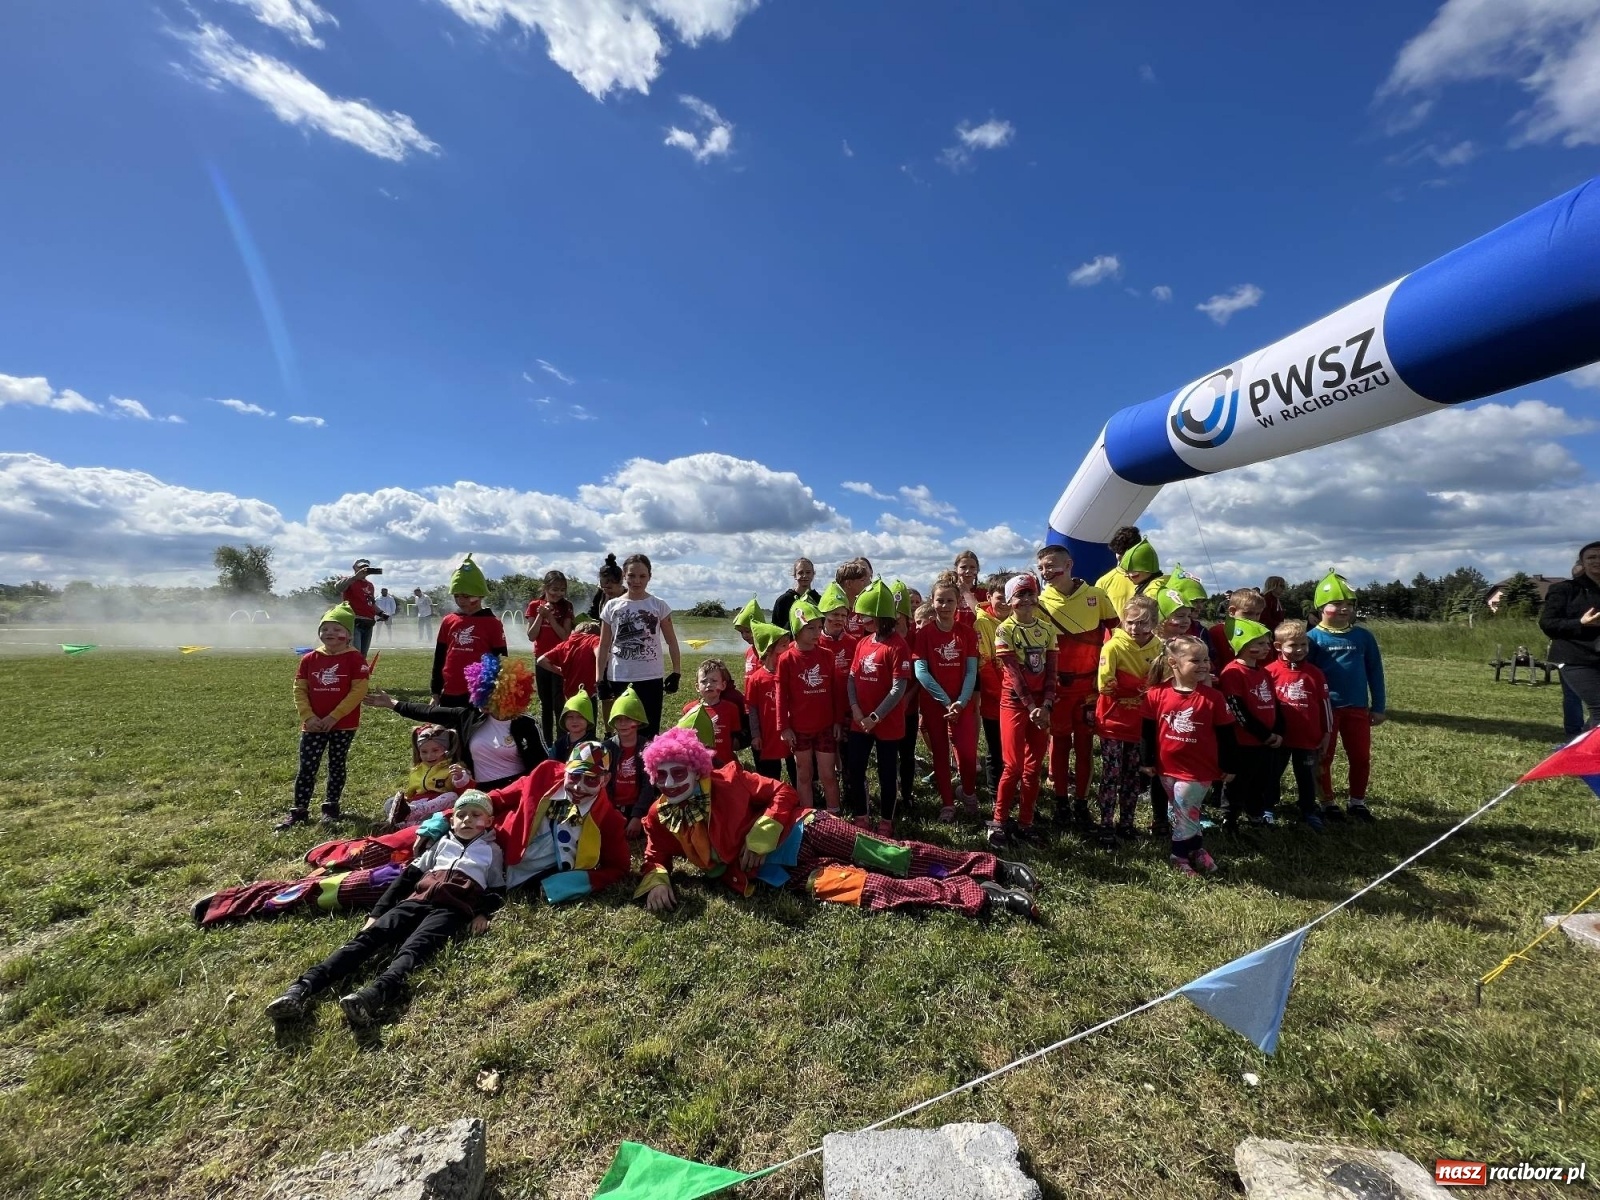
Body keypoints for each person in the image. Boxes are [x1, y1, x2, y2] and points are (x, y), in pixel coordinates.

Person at [632, 727, 1039, 920]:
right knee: (874, 888)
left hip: (805, 828)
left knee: (891, 854)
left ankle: (991, 866)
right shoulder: (659, 816)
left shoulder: (729, 780)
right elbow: (654, 855)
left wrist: (762, 831)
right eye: (661, 776)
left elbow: (783, 793)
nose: (670, 782)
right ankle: (980, 895)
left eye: (678, 772)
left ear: (696, 767)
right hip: (784, 874)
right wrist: (660, 880)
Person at [265, 789, 505, 1028]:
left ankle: (373, 995)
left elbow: (496, 888)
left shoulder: (492, 851)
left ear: (489, 821)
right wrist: (377, 913)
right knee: (368, 938)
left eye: (476, 815)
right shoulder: (440, 844)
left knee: (415, 948)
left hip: (450, 910)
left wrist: (482, 913)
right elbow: (407, 877)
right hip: (416, 900)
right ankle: (301, 988)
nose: (467, 820)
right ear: (452, 820)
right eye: (461, 814)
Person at [366, 653, 546, 790]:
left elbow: (543, 765)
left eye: (490, 700)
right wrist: (393, 704)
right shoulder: (467, 717)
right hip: (479, 791)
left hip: (516, 789)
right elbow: (430, 712)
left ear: (508, 697)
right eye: (479, 697)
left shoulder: (526, 725)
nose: (481, 704)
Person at [1035, 544, 1116, 828]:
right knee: (1059, 744)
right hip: (1057, 689)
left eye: (1051, 565)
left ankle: (1081, 803)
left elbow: (1117, 635)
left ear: (1069, 564)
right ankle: (1060, 803)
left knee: (1083, 746)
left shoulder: (1096, 596)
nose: (1046, 572)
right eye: (1041, 567)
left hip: (1089, 690)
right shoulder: (1040, 603)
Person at [1141, 636, 1237, 876]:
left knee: (1186, 809)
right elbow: (1147, 730)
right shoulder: (1156, 694)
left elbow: (1227, 735)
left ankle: (1179, 855)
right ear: (1173, 663)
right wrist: (1147, 760)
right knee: (1184, 812)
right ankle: (1195, 848)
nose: (1204, 665)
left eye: (1206, 659)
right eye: (1196, 660)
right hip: (1166, 767)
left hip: (1198, 769)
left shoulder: (1213, 698)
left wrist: (1229, 765)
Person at [278, 603, 373, 830]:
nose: (329, 633)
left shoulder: (355, 659)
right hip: (312, 725)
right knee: (307, 767)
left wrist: (334, 716)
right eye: (325, 629)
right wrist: (308, 716)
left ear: (349, 635)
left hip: (343, 724)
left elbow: (358, 691)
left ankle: (331, 808)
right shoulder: (309, 659)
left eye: (336, 628)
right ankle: (299, 811)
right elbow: (299, 689)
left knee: (336, 765)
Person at [1307, 572, 1385, 822]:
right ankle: (1327, 802)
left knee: (1360, 757)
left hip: (1357, 708)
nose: (1344, 609)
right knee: (1324, 758)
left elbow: (1375, 671)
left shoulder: (1363, 637)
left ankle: (1357, 802)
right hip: (1326, 709)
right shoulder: (1311, 639)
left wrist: (1378, 705)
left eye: (1349, 605)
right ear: (1321, 607)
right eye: (1337, 604)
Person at [845, 580, 914, 835]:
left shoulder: (898, 646)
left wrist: (875, 716)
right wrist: (855, 709)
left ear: (881, 616)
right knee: (856, 767)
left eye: (867, 616)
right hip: (859, 720)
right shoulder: (863, 643)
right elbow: (852, 677)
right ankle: (861, 816)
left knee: (887, 773)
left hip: (886, 722)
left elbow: (898, 688)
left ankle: (886, 820)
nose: (862, 620)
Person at [1095, 595, 1163, 849]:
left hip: (1141, 724)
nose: (1135, 628)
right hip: (1112, 721)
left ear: (1154, 623)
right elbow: (1106, 686)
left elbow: (1161, 684)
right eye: (1130, 622)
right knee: (1111, 775)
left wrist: (1131, 685)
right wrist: (1142, 686)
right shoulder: (1113, 646)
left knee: (1133, 777)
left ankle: (1127, 823)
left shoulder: (1158, 648)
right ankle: (1105, 824)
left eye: (1143, 623)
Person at [913, 572, 980, 822]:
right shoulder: (924, 634)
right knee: (940, 753)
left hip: (962, 703)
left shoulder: (966, 633)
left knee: (968, 753)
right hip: (935, 704)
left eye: (949, 601)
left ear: (957, 603)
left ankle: (969, 793)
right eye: (939, 601)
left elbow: (971, 670)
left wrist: (961, 702)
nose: (944, 606)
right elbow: (921, 671)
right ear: (932, 601)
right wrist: (946, 702)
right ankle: (948, 803)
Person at [595, 553, 681, 738]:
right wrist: (599, 679)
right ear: (624, 576)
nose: (637, 580)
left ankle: (647, 766)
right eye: (632, 575)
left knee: (650, 731)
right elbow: (603, 646)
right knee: (624, 730)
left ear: (649, 576)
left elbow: (671, 641)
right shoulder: (612, 606)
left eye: (642, 576)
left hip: (651, 677)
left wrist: (676, 672)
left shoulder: (658, 605)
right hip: (620, 676)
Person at [1216, 619, 1284, 830]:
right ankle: (1230, 816)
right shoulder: (1233, 672)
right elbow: (1237, 710)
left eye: (1267, 643)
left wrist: (1278, 731)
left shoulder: (1264, 672)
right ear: (1243, 645)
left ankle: (1255, 813)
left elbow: (1275, 703)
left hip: (1265, 742)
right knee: (1237, 781)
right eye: (1261, 644)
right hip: (1243, 741)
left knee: (1260, 780)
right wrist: (1264, 734)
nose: (1267, 648)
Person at [1266, 620, 1333, 833]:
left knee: (1307, 776)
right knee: (1272, 773)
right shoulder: (1269, 672)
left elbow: (1325, 705)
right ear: (1278, 647)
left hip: (1308, 738)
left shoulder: (1315, 673)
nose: (1299, 650)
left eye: (1303, 645)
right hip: (1280, 738)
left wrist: (1326, 733)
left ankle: (1308, 810)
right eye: (1293, 645)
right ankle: (1267, 807)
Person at [778, 600, 844, 814]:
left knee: (828, 774)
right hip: (799, 728)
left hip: (825, 725)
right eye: (810, 628)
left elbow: (835, 691)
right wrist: (784, 726)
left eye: (819, 626)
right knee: (803, 772)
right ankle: (808, 817)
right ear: (797, 629)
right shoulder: (786, 659)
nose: (817, 632)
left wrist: (836, 721)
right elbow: (781, 695)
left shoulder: (826, 655)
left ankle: (834, 814)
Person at [432, 555, 508, 707]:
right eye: (457, 596)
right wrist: (435, 691)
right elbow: (439, 657)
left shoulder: (493, 623)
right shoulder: (449, 621)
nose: (461, 600)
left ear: (479, 595)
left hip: (479, 694)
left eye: (466, 596)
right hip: (449, 692)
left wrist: (495, 692)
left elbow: (501, 659)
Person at [1541, 543, 1600, 731]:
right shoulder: (1565, 589)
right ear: (1582, 562)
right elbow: (1548, 624)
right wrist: (1580, 623)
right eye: (1592, 557)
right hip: (1576, 658)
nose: (1597, 561)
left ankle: (1575, 751)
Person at [377, 723, 472, 829]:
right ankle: (401, 822)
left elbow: (466, 791)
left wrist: (460, 777)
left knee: (452, 796)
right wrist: (404, 802)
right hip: (417, 803)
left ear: (446, 750)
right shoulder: (417, 770)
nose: (429, 756)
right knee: (390, 801)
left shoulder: (453, 768)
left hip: (439, 806)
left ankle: (407, 818)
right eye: (424, 752)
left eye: (435, 750)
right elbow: (411, 793)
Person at [525, 570, 576, 746]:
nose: (558, 593)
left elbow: (565, 636)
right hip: (541, 660)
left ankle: (562, 741)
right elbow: (532, 636)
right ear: (546, 587)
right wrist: (540, 614)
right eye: (554, 589)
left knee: (559, 703)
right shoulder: (534, 605)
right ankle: (546, 743)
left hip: (560, 660)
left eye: (562, 590)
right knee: (545, 703)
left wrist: (551, 618)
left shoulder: (567, 606)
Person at [603, 686, 656, 837]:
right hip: (611, 808)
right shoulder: (606, 749)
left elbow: (649, 785)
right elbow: (602, 785)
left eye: (628, 719)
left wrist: (637, 816)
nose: (623, 723)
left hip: (638, 808)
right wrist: (611, 812)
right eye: (618, 719)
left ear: (638, 721)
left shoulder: (648, 748)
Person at [679, 660, 745, 769]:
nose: (709, 685)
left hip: (725, 764)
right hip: (699, 764)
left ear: (723, 685)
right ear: (697, 686)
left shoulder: (732, 709)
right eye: (704, 681)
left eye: (714, 681)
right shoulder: (689, 709)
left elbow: (734, 736)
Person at [744, 621, 789, 778]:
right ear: (770, 649)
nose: (788, 648)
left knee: (797, 769)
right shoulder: (757, 679)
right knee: (770, 775)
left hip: (790, 734)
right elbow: (752, 709)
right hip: (767, 735)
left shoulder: (790, 673)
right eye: (784, 645)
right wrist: (755, 734)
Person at [1095, 529, 1155, 625]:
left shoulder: (1154, 577)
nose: (1123, 558)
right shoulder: (1103, 582)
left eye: (1127, 554)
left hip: (1149, 636)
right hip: (1117, 638)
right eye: (1119, 553)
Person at [536, 617, 601, 705]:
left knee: (572, 715)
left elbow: (541, 660)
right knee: (588, 716)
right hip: (588, 691)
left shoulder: (564, 645)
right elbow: (600, 655)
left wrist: (559, 671)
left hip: (570, 691)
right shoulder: (593, 639)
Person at [1204, 587, 1267, 672]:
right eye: (1248, 613)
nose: (1254, 618)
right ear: (1232, 611)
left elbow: (1265, 662)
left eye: (1258, 614)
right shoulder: (1217, 632)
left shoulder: (1260, 632)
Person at [334, 559, 381, 659]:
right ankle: (350, 673)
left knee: (363, 655)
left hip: (369, 622)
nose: (364, 570)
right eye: (361, 567)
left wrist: (381, 613)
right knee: (355, 653)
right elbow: (338, 587)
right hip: (354, 621)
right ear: (355, 568)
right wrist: (355, 577)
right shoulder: (349, 580)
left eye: (366, 567)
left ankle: (360, 674)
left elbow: (371, 603)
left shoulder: (370, 585)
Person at [771, 558, 820, 636]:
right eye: (800, 573)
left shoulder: (819, 600)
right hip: (788, 646)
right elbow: (775, 630)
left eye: (808, 572)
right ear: (795, 575)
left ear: (813, 574)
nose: (804, 576)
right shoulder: (783, 601)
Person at [548, 691, 598, 763]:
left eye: (580, 717)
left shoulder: (594, 746)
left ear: (588, 720)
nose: (574, 721)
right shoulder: (558, 744)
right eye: (570, 717)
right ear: (564, 720)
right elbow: (550, 767)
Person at [953, 550, 988, 626]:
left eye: (972, 567)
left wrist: (966, 592)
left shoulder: (984, 594)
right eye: (963, 567)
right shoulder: (949, 592)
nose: (968, 571)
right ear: (956, 569)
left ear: (977, 570)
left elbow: (982, 616)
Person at [587, 553, 625, 620]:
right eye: (603, 584)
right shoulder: (601, 594)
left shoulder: (628, 597)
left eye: (611, 582)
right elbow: (593, 613)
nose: (606, 586)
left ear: (620, 582)